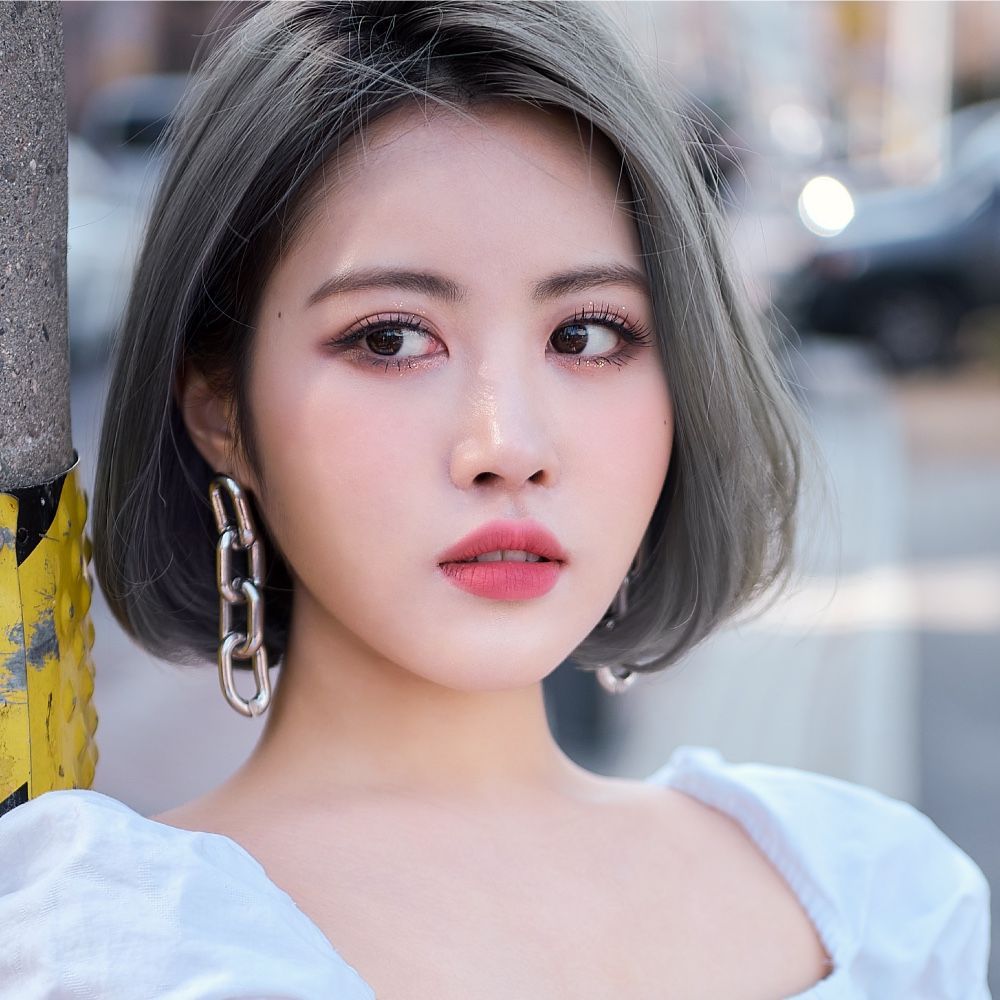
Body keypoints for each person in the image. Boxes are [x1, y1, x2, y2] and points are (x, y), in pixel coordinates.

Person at [0, 2, 991, 997]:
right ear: (221, 411)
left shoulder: (875, 899)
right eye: (389, 338)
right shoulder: (99, 946)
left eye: (587, 336)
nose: (505, 446)